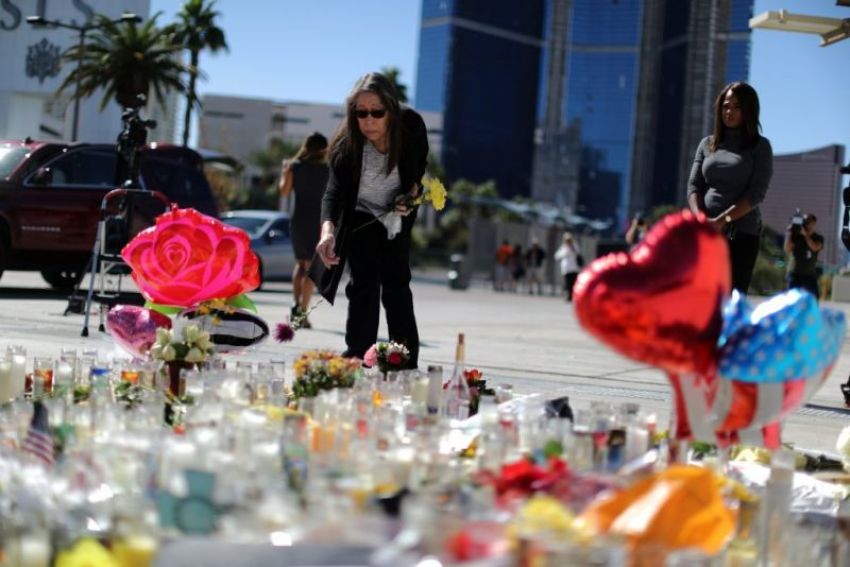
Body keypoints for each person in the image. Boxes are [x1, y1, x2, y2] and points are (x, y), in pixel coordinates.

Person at [311, 72, 428, 369]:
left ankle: (403, 360)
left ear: (391, 108)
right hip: (360, 214)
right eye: (361, 113)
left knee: (396, 283)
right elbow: (333, 194)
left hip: (395, 214)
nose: (369, 120)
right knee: (364, 282)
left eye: (377, 112)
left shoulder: (411, 127)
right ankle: (357, 356)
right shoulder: (345, 146)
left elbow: (417, 171)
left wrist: (410, 195)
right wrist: (327, 233)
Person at [687, 81, 773, 294]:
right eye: (726, 105)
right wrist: (702, 219)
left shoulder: (760, 147)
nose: (729, 111)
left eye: (736, 106)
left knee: (730, 300)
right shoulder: (707, 144)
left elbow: (756, 194)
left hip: (741, 234)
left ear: (749, 110)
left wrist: (722, 221)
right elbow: (694, 185)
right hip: (706, 233)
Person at [279, 132, 329, 328]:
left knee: (301, 264)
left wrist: (285, 173)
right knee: (313, 268)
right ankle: (303, 314)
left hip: (299, 219)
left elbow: (283, 192)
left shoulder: (294, 167)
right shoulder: (328, 171)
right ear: (324, 149)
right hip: (318, 221)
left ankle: (296, 305)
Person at [784, 212, 824, 299]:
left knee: (814, 297)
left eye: (809, 222)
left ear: (814, 224)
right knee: (791, 298)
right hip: (794, 273)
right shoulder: (796, 236)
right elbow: (787, 249)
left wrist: (805, 235)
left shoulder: (818, 237)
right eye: (806, 221)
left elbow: (815, 247)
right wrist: (790, 233)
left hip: (809, 273)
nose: (807, 224)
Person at [554, 233, 581, 301]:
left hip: (574, 268)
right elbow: (557, 256)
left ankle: (573, 295)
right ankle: (569, 296)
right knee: (568, 283)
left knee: (573, 283)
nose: (568, 241)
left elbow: (577, 252)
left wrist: (571, 247)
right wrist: (565, 252)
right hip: (566, 268)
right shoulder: (563, 247)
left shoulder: (574, 245)